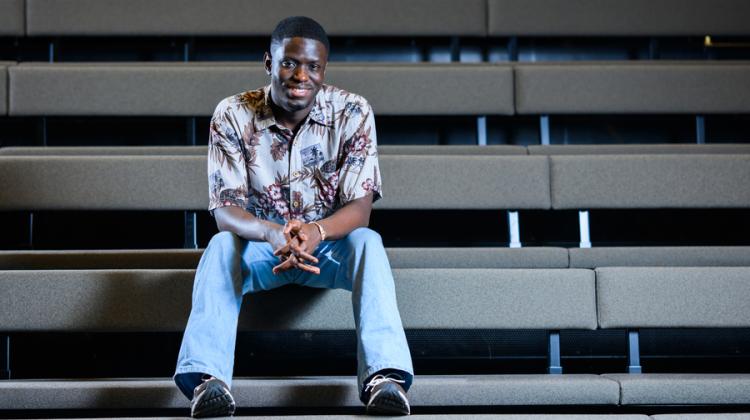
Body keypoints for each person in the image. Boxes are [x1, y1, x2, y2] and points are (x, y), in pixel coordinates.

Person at [173, 16, 414, 418]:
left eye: (312, 67)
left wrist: (317, 232)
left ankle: (383, 379)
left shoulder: (353, 112)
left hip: (328, 248)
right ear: (269, 62)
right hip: (262, 247)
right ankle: (206, 382)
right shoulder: (233, 114)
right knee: (219, 246)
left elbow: (361, 207)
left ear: (324, 70)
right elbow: (225, 209)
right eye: (289, 63)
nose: (300, 75)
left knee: (368, 243)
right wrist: (269, 233)